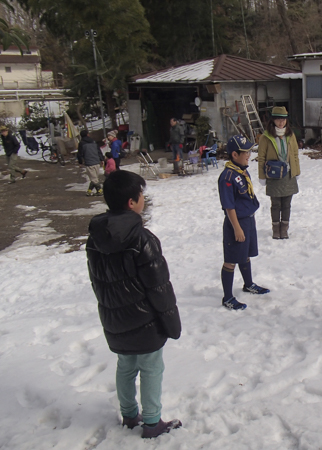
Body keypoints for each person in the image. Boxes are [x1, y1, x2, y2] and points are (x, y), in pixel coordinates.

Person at [86, 170, 182, 439]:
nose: (143, 199)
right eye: (141, 195)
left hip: (114, 317)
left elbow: (97, 280)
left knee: (126, 364)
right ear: (131, 202)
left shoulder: (95, 237)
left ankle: (129, 414)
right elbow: (159, 288)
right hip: (145, 321)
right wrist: (171, 323)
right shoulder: (142, 239)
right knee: (151, 367)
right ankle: (152, 422)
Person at [218, 135, 270, 311]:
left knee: (245, 254)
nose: (249, 154)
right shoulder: (227, 176)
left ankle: (248, 284)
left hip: (248, 220)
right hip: (236, 223)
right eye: (245, 151)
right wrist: (237, 228)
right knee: (231, 260)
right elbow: (229, 206)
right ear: (234, 154)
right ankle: (227, 297)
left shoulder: (242, 171)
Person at [257, 106, 301, 239]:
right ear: (273, 121)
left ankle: (284, 228)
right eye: (278, 120)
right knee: (276, 204)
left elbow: (295, 154)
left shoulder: (290, 135)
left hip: (288, 174)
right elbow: (261, 158)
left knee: (287, 204)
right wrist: (262, 176)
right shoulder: (266, 137)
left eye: (283, 120)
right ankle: (276, 229)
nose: (281, 123)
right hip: (273, 174)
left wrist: (296, 171)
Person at [77, 129, 104, 196]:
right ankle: (89, 191)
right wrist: (102, 159)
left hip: (89, 163)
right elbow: (99, 151)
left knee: (94, 178)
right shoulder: (94, 142)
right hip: (97, 161)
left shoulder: (81, 143)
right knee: (94, 178)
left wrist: (80, 162)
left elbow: (80, 154)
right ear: (88, 134)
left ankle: (100, 190)